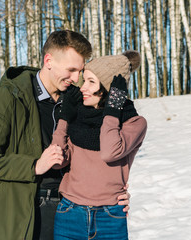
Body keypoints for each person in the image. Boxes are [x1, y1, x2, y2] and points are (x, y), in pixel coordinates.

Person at [0, 30, 130, 240]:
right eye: (71, 70)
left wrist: (113, 192)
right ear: (49, 61)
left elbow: (97, 154)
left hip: (70, 210)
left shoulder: (79, 102)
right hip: (21, 211)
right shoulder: (9, 97)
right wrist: (34, 165)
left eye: (80, 71)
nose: (76, 79)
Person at [51, 50, 147, 240]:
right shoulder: (78, 118)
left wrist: (112, 109)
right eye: (84, 81)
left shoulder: (134, 123)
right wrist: (65, 118)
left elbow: (110, 152)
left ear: (110, 90)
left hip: (110, 217)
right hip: (69, 213)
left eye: (91, 82)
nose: (83, 88)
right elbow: (57, 160)